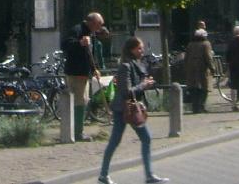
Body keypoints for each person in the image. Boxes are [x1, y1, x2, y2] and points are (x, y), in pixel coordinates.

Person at [98, 36, 168, 184]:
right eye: (139, 48)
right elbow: (126, 92)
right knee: (115, 141)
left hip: (132, 109)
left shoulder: (136, 64)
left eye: (142, 48)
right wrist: (143, 85)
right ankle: (104, 175)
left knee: (145, 138)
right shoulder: (125, 66)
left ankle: (148, 175)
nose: (142, 51)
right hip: (123, 109)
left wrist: (147, 83)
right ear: (132, 50)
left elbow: (138, 85)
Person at [64, 11, 104, 142]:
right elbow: (65, 45)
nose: (100, 28)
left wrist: (94, 69)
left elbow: (90, 54)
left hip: (84, 73)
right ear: (92, 22)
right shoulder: (77, 30)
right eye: (99, 25)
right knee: (78, 101)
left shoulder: (90, 33)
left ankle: (78, 130)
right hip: (76, 73)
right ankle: (77, 133)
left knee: (83, 100)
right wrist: (80, 43)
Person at [182, 28, 214, 114]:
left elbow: (186, 58)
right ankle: (201, 106)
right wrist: (212, 68)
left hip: (191, 69)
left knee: (194, 88)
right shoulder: (206, 44)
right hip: (202, 69)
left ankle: (195, 107)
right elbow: (208, 57)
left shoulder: (190, 44)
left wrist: (186, 68)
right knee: (204, 89)